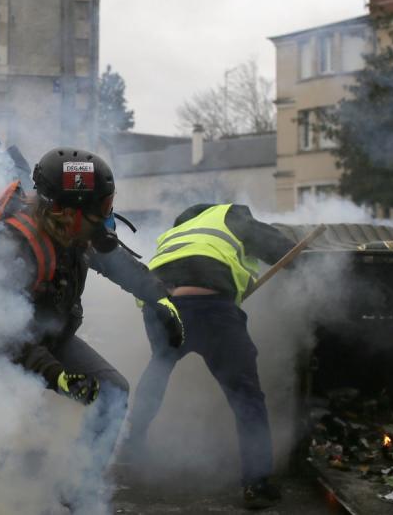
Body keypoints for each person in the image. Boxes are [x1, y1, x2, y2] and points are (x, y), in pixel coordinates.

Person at [0, 148, 186, 511]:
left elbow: (116, 262)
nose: (105, 219)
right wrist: (58, 377)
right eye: (99, 210)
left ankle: (77, 495)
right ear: (65, 212)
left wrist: (159, 299)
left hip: (48, 336)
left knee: (113, 391)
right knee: (6, 437)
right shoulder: (9, 248)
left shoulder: (73, 229)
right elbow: (6, 340)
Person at [126, 203, 296, 509]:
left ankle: (129, 449)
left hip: (159, 309)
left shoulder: (174, 233)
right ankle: (256, 484)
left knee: (159, 367)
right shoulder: (230, 216)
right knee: (246, 395)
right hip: (211, 308)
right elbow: (282, 249)